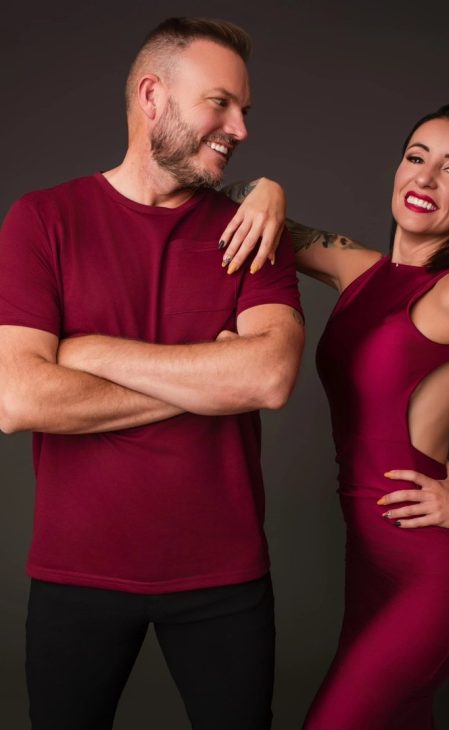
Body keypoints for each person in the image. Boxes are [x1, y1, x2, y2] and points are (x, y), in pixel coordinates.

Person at [221, 104, 449, 729]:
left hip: (432, 572)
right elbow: (233, 207)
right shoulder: (356, 268)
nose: (426, 178)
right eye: (417, 157)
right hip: (367, 563)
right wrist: (268, 188)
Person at [0, 17, 304, 730]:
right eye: (220, 103)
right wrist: (209, 380)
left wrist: (88, 350)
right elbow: (18, 397)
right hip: (76, 572)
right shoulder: (42, 220)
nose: (240, 128)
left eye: (244, 110)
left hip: (224, 577)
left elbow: (267, 378)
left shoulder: (252, 230)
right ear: (151, 96)